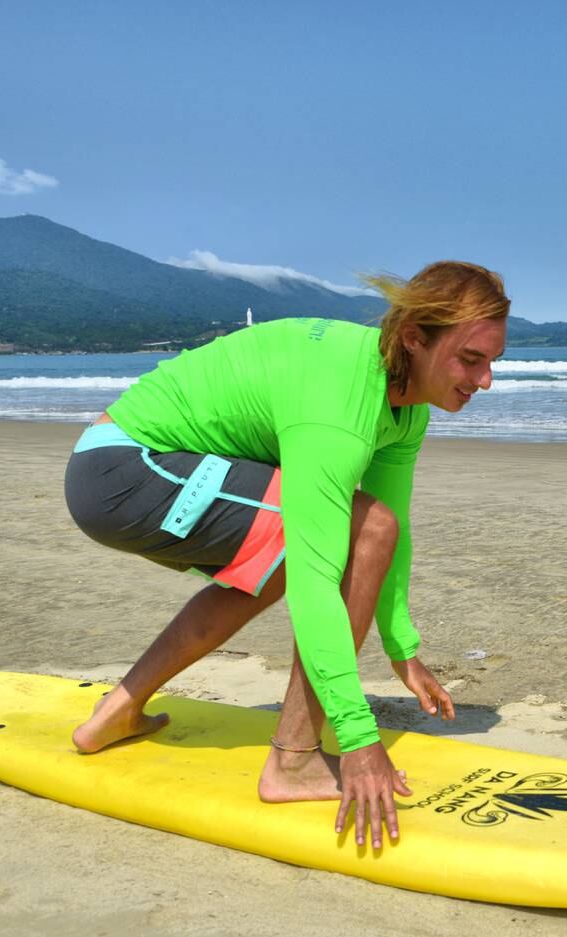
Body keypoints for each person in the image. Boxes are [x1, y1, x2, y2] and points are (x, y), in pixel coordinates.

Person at [63, 261, 510, 849]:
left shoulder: (406, 408)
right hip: (122, 470)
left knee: (310, 550)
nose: (485, 381)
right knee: (328, 547)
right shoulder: (341, 405)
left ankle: (117, 712)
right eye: (470, 359)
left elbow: (391, 527)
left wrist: (404, 651)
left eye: (492, 362)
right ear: (413, 339)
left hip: (138, 468)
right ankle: (294, 760)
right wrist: (358, 737)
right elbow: (341, 561)